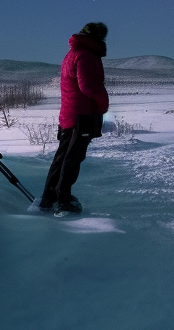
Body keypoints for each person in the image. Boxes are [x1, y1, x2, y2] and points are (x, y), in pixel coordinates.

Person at [36, 21, 109, 214]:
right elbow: (88, 86)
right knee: (72, 158)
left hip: (70, 114)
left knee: (63, 156)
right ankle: (63, 198)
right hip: (82, 114)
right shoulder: (86, 55)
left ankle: (49, 196)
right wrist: (103, 104)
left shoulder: (73, 53)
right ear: (97, 38)